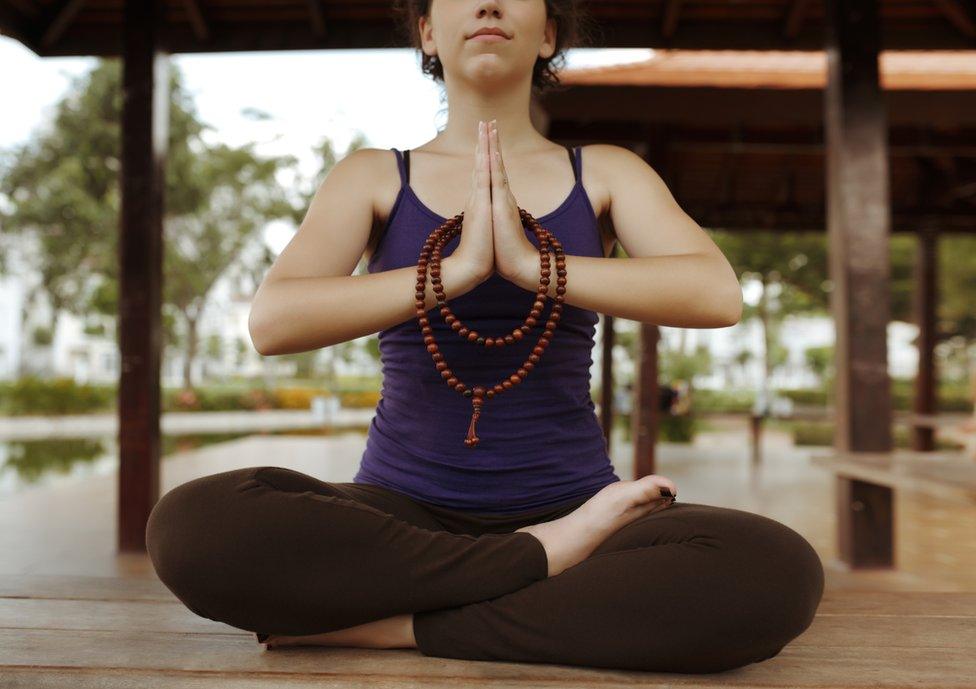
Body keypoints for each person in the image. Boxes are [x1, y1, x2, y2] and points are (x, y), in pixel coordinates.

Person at [145, 0, 824, 674]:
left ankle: (409, 625)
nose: (489, 3)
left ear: (549, 32)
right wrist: (457, 271)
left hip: (577, 502)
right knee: (192, 525)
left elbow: (715, 292)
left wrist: (532, 266)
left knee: (777, 569)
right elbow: (273, 320)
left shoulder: (606, 172)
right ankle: (540, 561)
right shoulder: (375, 175)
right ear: (427, 31)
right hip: (400, 516)